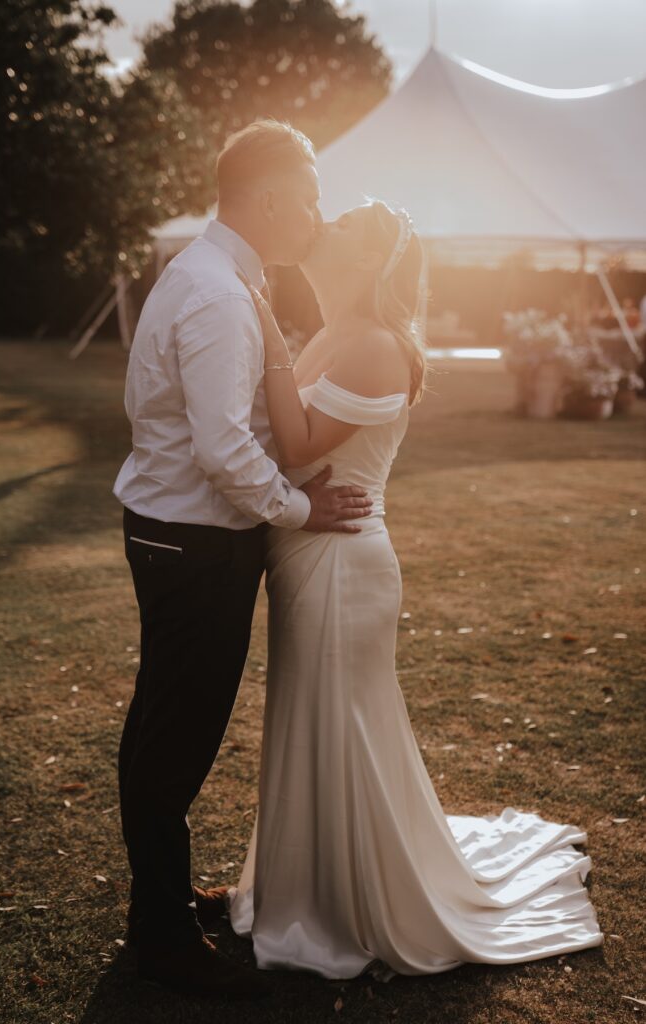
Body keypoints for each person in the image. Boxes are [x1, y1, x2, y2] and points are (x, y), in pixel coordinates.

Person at [227, 199, 604, 980]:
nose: (317, 228)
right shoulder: (336, 333)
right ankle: (306, 885)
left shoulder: (371, 347)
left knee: (342, 723)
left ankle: (345, 902)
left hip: (342, 562)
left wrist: (262, 328)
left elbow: (296, 443)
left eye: (336, 228)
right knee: (316, 717)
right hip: (310, 551)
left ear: (365, 262)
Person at [112, 120, 374, 1000]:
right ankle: (161, 938)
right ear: (265, 200)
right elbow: (225, 450)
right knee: (175, 739)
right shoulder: (218, 294)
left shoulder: (209, 273)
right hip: (195, 542)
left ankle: (160, 901)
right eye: (306, 197)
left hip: (173, 531)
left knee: (160, 721)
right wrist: (301, 508)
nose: (314, 214)